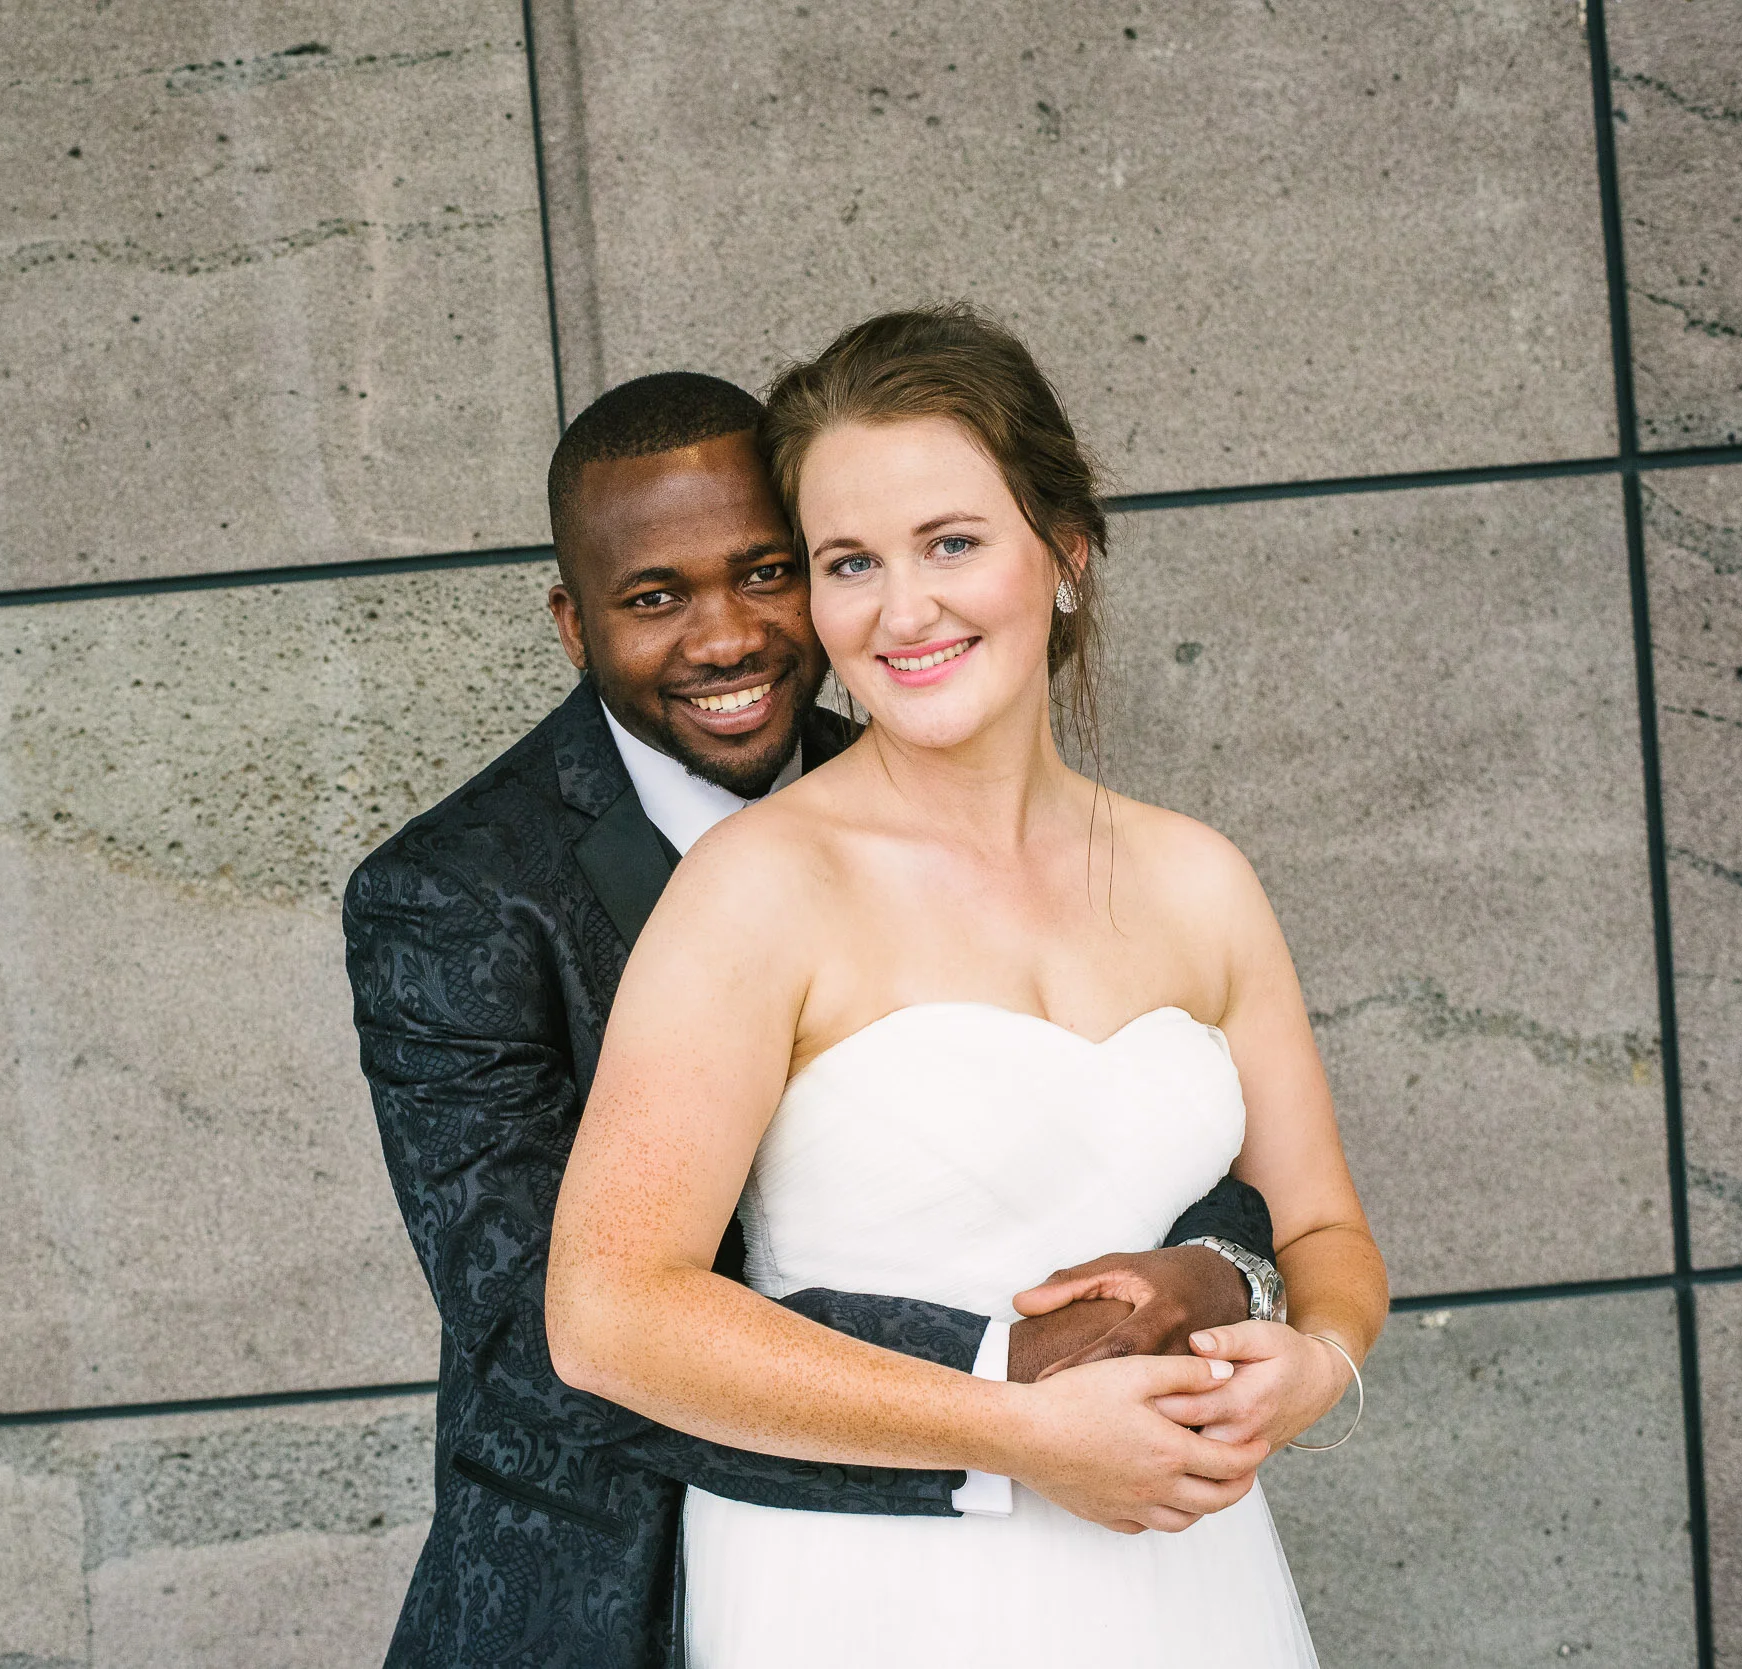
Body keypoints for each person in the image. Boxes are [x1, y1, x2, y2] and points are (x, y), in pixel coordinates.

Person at [344, 364, 1295, 1668]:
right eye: (654, 598)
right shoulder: (450, 896)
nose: (726, 635)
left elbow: (1131, 1130)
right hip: (615, 1584)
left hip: (1073, 1548)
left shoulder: (932, 769)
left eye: (768, 571)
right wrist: (1013, 1389)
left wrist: (1218, 1275)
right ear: (573, 625)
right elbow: (546, 1338)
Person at [544, 306, 1388, 1666]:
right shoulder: (757, 893)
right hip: (865, 1594)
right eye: (848, 562)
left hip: (1190, 1575)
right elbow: (610, 1316)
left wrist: (1312, 1367)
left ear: (1064, 549)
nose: (903, 608)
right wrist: (1018, 1429)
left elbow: (1326, 1235)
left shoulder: (1199, 880)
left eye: (950, 543)